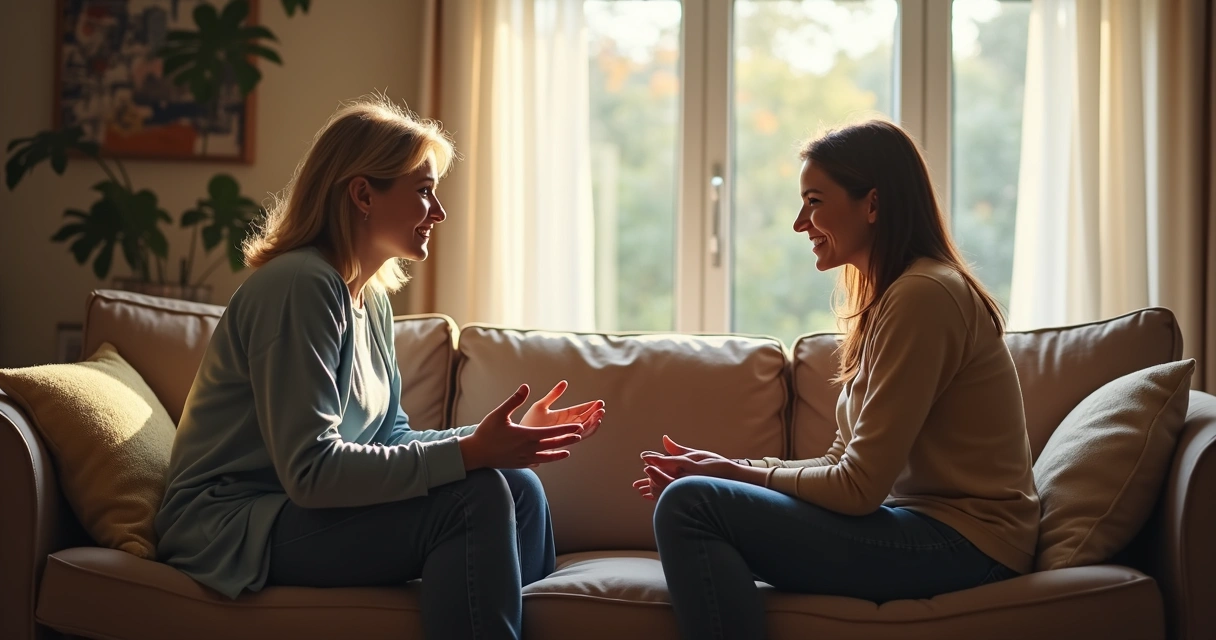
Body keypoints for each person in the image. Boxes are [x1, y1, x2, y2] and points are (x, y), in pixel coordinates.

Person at [155, 95, 606, 640]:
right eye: (423, 191)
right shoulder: (300, 286)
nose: (437, 211)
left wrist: (498, 440)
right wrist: (469, 454)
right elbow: (311, 472)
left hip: (287, 512)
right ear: (363, 193)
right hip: (233, 525)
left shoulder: (367, 301)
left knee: (517, 484)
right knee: (474, 497)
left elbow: (388, 435)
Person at [633, 120, 1039, 640]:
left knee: (692, 505)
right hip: (926, 529)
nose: (800, 223)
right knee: (698, 497)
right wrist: (730, 469)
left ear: (872, 204)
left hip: (971, 545)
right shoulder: (894, 298)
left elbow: (858, 488)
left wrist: (731, 475)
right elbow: (841, 464)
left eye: (815, 201)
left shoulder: (925, 295)